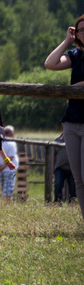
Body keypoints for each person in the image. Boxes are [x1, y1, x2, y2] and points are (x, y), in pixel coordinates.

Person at [44, 14, 84, 222]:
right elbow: (50, 63)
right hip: (71, 120)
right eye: (80, 30)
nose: (83, 33)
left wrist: (72, 88)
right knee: (78, 180)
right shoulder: (76, 54)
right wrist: (67, 41)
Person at [0, 125, 19, 200]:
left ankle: (5, 203)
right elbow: (11, 157)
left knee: (4, 188)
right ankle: (8, 204)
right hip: (9, 170)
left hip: (1, 170)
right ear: (11, 134)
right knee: (9, 190)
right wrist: (3, 167)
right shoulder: (12, 142)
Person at [52, 132, 76, 203]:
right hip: (60, 167)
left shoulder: (74, 140)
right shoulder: (57, 140)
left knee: (73, 188)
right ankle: (57, 202)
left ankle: (72, 203)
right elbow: (54, 155)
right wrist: (54, 168)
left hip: (72, 168)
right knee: (58, 184)